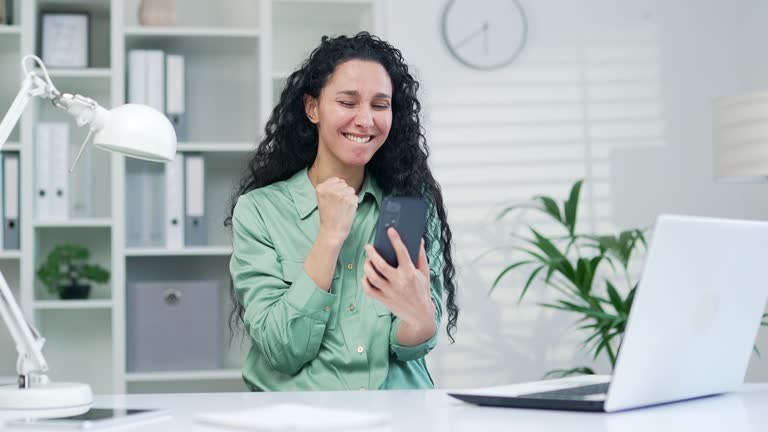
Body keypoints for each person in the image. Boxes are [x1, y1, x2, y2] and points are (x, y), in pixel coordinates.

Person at [226, 32, 458, 391]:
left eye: (380, 105)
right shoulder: (259, 211)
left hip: (401, 414)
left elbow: (413, 347)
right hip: (298, 417)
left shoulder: (411, 204)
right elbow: (280, 349)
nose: (366, 120)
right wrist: (330, 237)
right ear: (312, 108)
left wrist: (420, 313)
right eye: (348, 103)